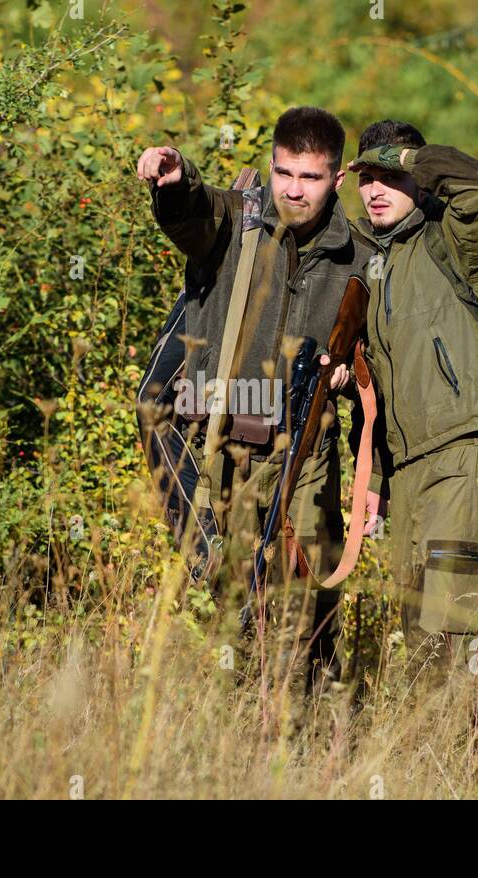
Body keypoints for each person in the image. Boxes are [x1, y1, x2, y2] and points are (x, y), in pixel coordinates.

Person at [135, 107, 375, 692]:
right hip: (228, 456)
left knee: (303, 625)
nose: (294, 190)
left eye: (311, 178)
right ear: (271, 165)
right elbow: (193, 214)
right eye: (284, 172)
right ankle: (238, 749)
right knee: (234, 618)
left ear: (336, 181)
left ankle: (305, 745)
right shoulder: (235, 222)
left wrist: (352, 372)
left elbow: (382, 361)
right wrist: (174, 180)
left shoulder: (362, 258)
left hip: (306, 457)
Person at [347, 119, 478, 678]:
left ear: (416, 176)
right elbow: (378, 391)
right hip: (409, 471)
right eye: (365, 177)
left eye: (387, 176)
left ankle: (462, 756)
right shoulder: (377, 262)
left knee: (450, 627)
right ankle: (435, 757)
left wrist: (408, 158)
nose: (375, 189)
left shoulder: (457, 238)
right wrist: (374, 484)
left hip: (466, 452)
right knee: (417, 631)